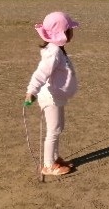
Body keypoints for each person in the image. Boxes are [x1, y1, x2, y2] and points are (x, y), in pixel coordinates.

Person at [25, 12, 79, 176]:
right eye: (69, 29)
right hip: (50, 98)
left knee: (58, 127)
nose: (72, 32)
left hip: (57, 97)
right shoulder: (53, 52)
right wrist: (32, 90)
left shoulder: (58, 50)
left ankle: (55, 158)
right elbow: (41, 72)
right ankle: (48, 165)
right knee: (53, 130)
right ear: (62, 33)